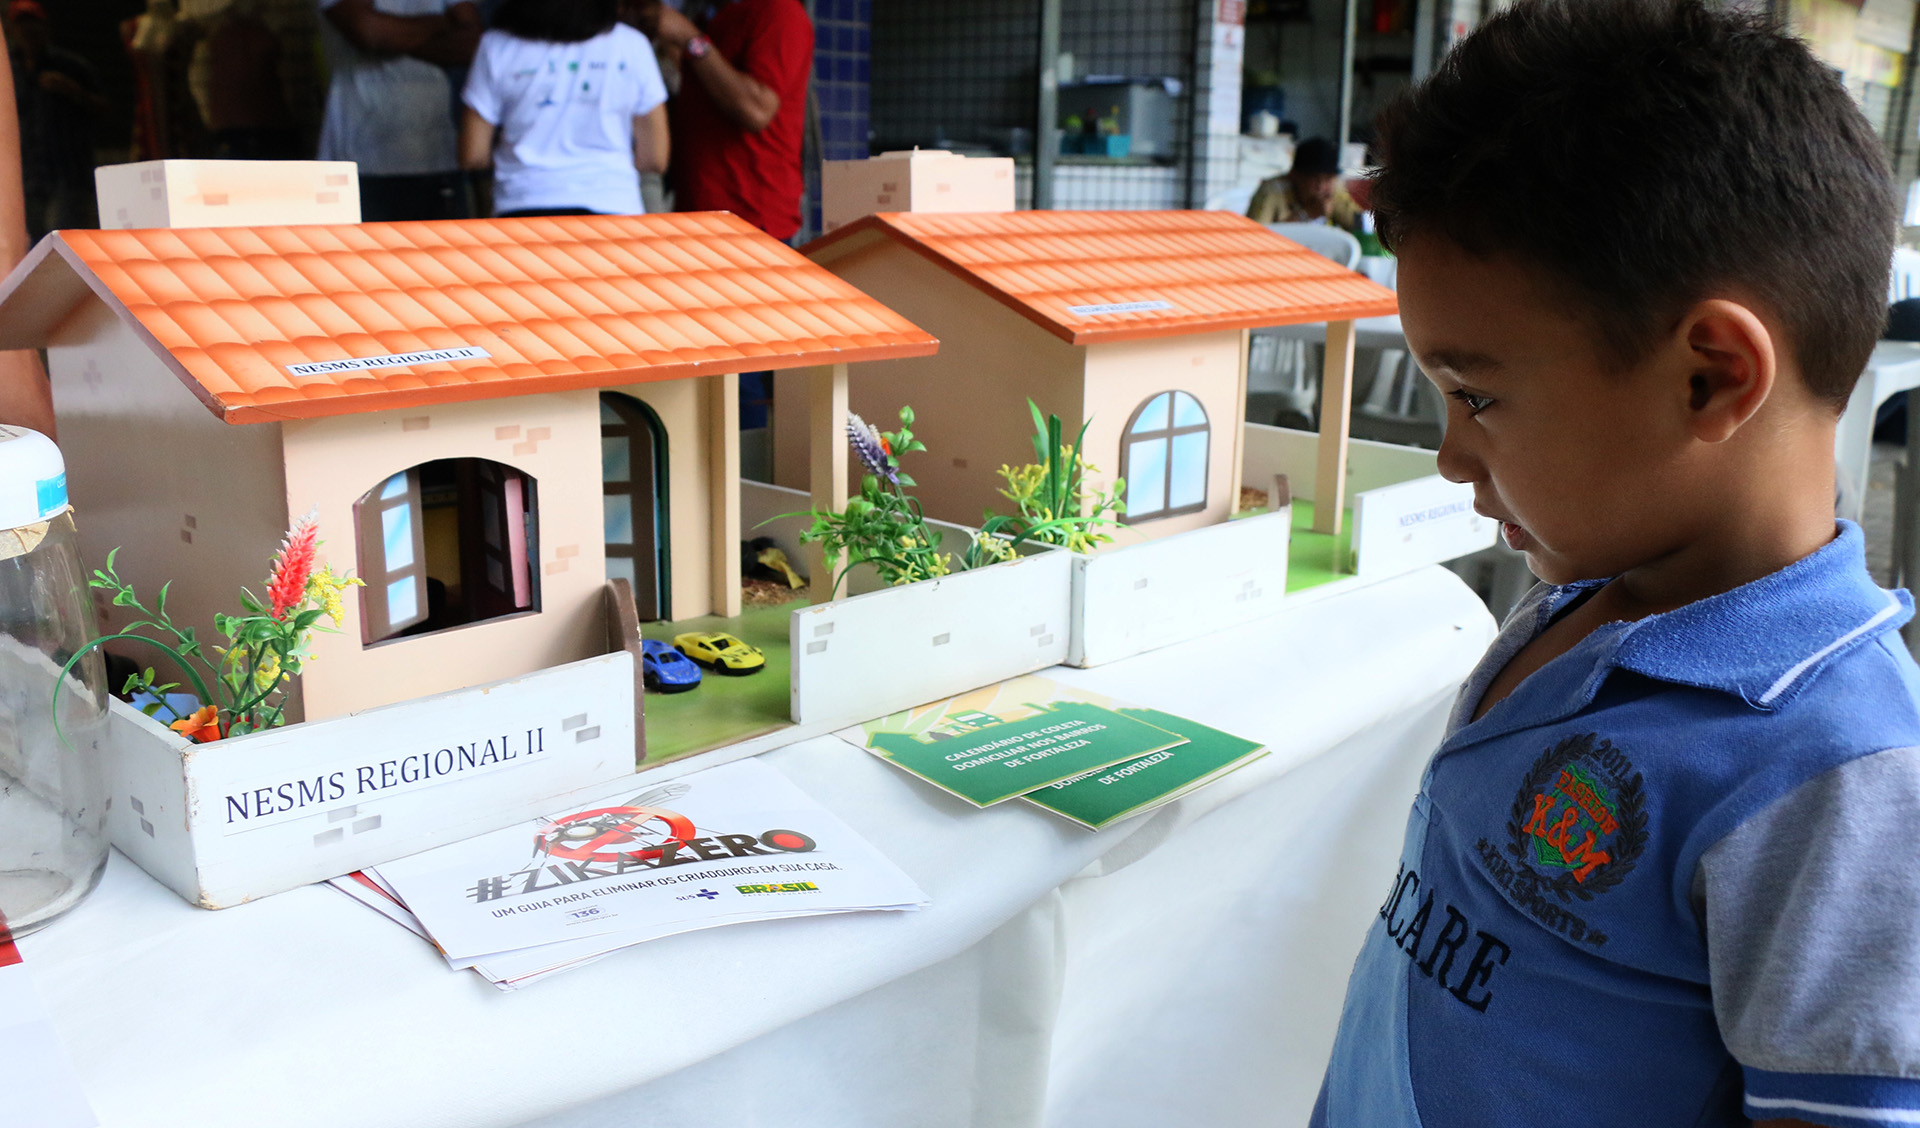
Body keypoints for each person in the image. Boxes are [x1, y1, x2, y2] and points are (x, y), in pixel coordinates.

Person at [1309, 2, 1919, 1128]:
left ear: (1711, 377)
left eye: (1478, 396)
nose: (1450, 457)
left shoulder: (1840, 779)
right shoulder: (1582, 597)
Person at [458, 0, 668, 217]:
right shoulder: (632, 45)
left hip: (522, 207)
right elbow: (654, 158)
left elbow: (473, 155)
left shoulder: (496, 45)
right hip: (613, 207)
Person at [634, 0, 811, 241]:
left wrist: (691, 40)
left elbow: (757, 110)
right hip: (697, 217)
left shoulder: (779, 12)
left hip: (751, 220)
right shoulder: (711, 15)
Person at [316, 0, 480, 222]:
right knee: (364, 256)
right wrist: (441, 23)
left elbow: (473, 45)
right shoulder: (442, 18)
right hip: (358, 163)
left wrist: (394, 37)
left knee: (439, 256)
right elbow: (368, 33)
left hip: (436, 157)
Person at [9, 0, 105, 241]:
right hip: (23, 179)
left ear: (46, 27)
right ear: (12, 30)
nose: (29, 31)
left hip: (66, 176)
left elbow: (105, 111)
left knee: (61, 244)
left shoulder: (71, 66)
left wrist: (73, 91)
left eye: (34, 24)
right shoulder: (8, 70)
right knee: (27, 252)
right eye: (22, 25)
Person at [1247, 137, 1360, 229]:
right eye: (1313, 178)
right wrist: (1306, 215)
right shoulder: (1271, 192)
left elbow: (1362, 227)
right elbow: (1255, 239)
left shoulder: (1333, 192)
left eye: (1327, 179)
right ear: (1294, 175)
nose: (1321, 186)